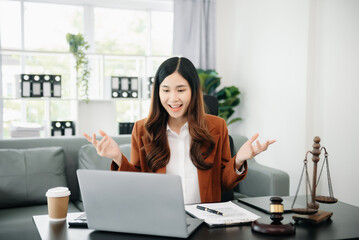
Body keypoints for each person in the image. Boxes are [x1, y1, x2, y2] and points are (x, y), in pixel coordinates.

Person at [84, 56, 276, 204]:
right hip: (159, 219)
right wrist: (118, 158)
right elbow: (136, 184)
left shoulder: (217, 127)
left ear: (193, 91)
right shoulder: (142, 130)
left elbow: (223, 183)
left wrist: (239, 160)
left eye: (181, 90)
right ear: (158, 92)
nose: (173, 99)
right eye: (166, 90)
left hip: (205, 219)